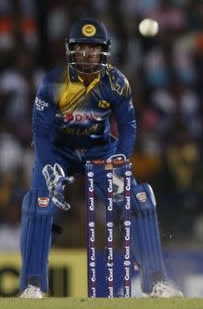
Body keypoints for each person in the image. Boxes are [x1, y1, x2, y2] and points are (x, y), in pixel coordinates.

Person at [19, 18, 183, 298]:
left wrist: (121, 158)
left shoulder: (116, 83)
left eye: (93, 48)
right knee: (39, 205)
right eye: (81, 48)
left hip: (101, 150)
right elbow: (41, 131)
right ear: (71, 50)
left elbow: (129, 127)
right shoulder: (53, 83)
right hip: (59, 152)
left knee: (140, 200)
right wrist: (48, 165)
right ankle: (32, 286)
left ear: (104, 51)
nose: (87, 54)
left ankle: (157, 280)